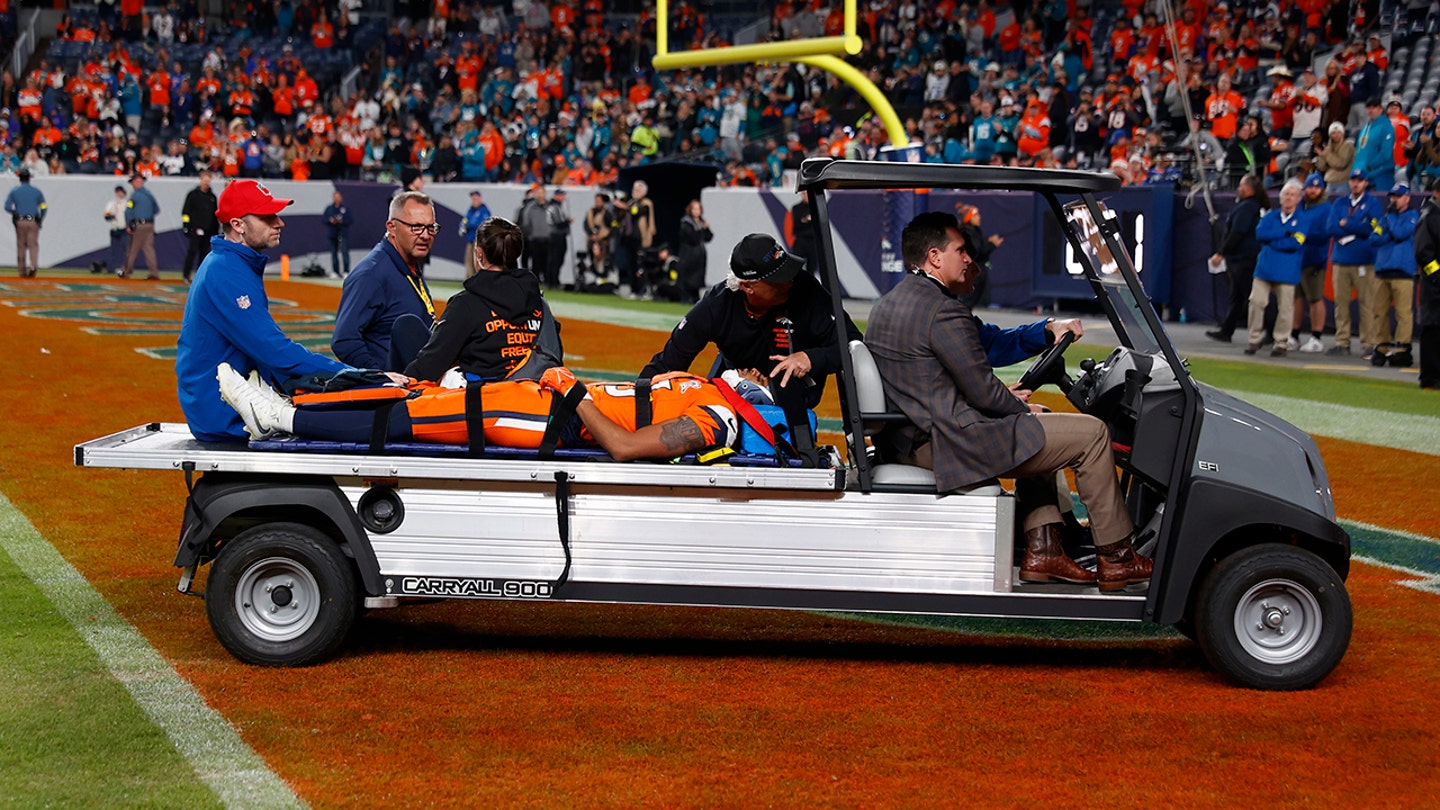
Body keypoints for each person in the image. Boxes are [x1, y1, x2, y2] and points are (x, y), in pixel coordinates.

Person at [865, 211, 1152, 589]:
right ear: (935, 257)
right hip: (948, 442)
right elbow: (983, 388)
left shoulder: (894, 302)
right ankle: (1117, 557)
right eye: (961, 250)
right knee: (1093, 434)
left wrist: (1045, 330)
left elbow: (986, 345)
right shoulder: (942, 310)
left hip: (915, 437)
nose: (970, 259)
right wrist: (1018, 407)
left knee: (1040, 423)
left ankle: (1044, 551)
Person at [175, 179, 404, 443]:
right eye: (267, 216)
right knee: (361, 425)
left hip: (227, 403)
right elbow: (274, 350)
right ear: (237, 225)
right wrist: (357, 376)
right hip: (224, 415)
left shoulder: (231, 263)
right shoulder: (226, 271)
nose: (279, 222)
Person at [215, 363, 750, 463]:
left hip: (551, 420)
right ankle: (294, 407)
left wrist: (573, 391)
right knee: (422, 398)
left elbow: (626, 447)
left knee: (417, 420)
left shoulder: (715, 418)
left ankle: (282, 420)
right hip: (549, 402)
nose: (759, 368)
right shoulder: (709, 389)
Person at [641, 233, 863, 461]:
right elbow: (668, 363)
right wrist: (634, 403)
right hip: (736, 393)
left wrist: (811, 358)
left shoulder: (805, 290)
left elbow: (854, 344)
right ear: (748, 286)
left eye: (786, 270)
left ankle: (805, 452)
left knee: (785, 384)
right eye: (778, 278)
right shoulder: (717, 305)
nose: (789, 281)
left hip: (796, 392)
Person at [405, 216, 559, 383]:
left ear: (479, 254)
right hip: (535, 398)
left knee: (404, 330)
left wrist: (396, 383)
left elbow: (430, 364)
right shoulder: (538, 302)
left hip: (485, 402)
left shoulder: (466, 304)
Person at [332, 190, 438, 373]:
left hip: (418, 389)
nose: (425, 235)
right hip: (395, 397)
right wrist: (380, 379)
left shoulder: (408, 264)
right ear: (391, 227)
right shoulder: (371, 274)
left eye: (431, 228)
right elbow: (344, 340)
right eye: (416, 227)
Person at [1327, 169, 1383, 357]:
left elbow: (1371, 228)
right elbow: (1331, 227)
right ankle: (1342, 341)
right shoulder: (1340, 202)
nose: (1356, 184)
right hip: (1341, 260)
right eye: (1353, 180)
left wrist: (1347, 225)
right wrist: (1354, 228)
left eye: (1360, 181)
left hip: (1364, 261)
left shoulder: (1373, 203)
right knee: (1340, 304)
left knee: (1366, 303)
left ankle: (1369, 342)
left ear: (1366, 183)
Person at [1246, 179, 1305, 357]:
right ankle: (1254, 338)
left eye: (1292, 195)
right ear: (1280, 198)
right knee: (1256, 302)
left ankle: (1281, 342)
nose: (1288, 198)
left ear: (1298, 199)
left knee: (1286, 308)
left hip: (1287, 268)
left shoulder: (1303, 220)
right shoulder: (1271, 216)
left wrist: (1273, 242)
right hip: (1265, 266)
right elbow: (1260, 234)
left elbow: (1296, 243)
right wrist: (1283, 233)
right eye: (1286, 194)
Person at [1207, 174, 1266, 343]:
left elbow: (1237, 233)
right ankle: (1227, 330)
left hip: (1244, 258)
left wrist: (1222, 252)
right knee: (1238, 296)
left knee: (1250, 296)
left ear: (1248, 189)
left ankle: (1269, 330)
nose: (1238, 189)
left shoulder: (1246, 207)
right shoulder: (1252, 206)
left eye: (1241, 185)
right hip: (1245, 256)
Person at [1368, 183, 1419, 367]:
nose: (1394, 200)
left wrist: (1389, 222)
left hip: (1402, 271)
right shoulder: (1385, 218)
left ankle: (1403, 349)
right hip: (1382, 269)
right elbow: (1374, 238)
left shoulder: (1413, 216)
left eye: (1398, 197)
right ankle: (1381, 347)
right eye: (1392, 196)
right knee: (1379, 312)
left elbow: (1400, 233)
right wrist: (1388, 230)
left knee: (1403, 313)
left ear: (1407, 198)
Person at [1292, 173, 1332, 353]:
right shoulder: (1300, 205)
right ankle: (1294, 334)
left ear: (1322, 189)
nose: (1313, 190)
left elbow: (1325, 234)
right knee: (1296, 298)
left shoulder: (1326, 208)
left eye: (1316, 187)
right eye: (1310, 186)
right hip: (1297, 258)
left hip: (1314, 258)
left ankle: (1316, 336)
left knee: (1315, 299)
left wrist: (1303, 235)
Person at [1412, 177, 1440, 389]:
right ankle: (1430, 376)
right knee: (1432, 328)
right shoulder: (1430, 216)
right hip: (1434, 285)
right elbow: (1423, 252)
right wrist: (1436, 275)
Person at [5, 166, 45, 277]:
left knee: (21, 245)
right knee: (33, 244)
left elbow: (7, 206)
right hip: (32, 220)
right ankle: (33, 265)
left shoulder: (15, 191)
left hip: (21, 220)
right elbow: (43, 206)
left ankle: (22, 269)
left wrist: (15, 213)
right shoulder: (36, 192)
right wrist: (41, 217)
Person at [180, 170, 219, 283]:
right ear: (201, 180)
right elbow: (186, 211)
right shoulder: (193, 195)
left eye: (208, 180)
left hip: (208, 231)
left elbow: (214, 215)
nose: (206, 182)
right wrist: (187, 226)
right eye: (205, 180)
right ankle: (186, 275)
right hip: (195, 229)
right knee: (192, 251)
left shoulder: (212, 197)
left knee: (204, 254)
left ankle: (200, 275)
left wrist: (215, 230)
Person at [619, 180, 656, 297]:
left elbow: (638, 211)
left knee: (641, 265)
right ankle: (633, 289)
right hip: (629, 237)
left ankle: (643, 289)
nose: (635, 192)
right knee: (631, 265)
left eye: (638, 190)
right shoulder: (631, 202)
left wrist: (624, 207)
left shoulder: (646, 203)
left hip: (641, 237)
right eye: (634, 189)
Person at [1353, 97, 1396, 192]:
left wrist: (1371, 165)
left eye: (1374, 107)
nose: (1370, 110)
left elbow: (1386, 152)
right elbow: (1359, 152)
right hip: (1364, 176)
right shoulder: (1365, 128)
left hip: (1380, 176)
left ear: (1380, 109)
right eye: (1368, 107)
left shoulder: (1386, 126)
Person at [122, 173, 160, 279]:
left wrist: (129, 224)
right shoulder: (149, 195)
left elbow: (128, 212)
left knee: (133, 249)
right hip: (150, 224)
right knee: (149, 249)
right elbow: (156, 210)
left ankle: (126, 271)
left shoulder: (134, 196)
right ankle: (154, 272)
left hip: (139, 225)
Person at [676, 199, 713, 303]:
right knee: (687, 276)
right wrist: (701, 229)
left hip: (699, 254)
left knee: (697, 277)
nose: (697, 211)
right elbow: (692, 238)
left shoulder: (701, 221)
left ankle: (695, 297)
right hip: (688, 254)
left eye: (698, 209)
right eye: (694, 209)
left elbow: (709, 237)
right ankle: (685, 297)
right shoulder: (686, 222)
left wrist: (706, 228)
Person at [515, 184, 550, 283]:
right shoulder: (529, 208)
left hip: (547, 238)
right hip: (534, 238)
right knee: (534, 261)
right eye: (538, 193)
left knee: (547, 261)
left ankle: (548, 279)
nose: (540, 195)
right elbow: (526, 223)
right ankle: (535, 280)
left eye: (541, 193)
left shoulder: (550, 206)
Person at [583, 192, 613, 287]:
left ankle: (603, 279)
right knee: (592, 259)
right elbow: (586, 225)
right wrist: (592, 234)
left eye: (599, 201)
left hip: (602, 242)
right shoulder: (590, 212)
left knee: (602, 261)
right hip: (592, 241)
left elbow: (611, 227)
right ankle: (594, 279)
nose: (597, 202)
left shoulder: (607, 213)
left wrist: (602, 236)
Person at [322, 190, 354, 278]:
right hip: (333, 233)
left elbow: (350, 220)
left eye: (338, 197)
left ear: (341, 198)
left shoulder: (345, 209)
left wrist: (342, 221)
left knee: (344, 252)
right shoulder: (329, 209)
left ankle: (346, 271)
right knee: (334, 253)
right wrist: (330, 220)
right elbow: (324, 219)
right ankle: (335, 271)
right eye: (335, 197)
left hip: (343, 233)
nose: (336, 199)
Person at [459, 190, 491, 277]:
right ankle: (469, 280)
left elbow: (482, 224)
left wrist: (468, 225)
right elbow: (465, 220)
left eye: (476, 198)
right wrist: (463, 226)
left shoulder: (484, 211)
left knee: (478, 262)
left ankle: (479, 280)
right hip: (470, 239)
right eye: (473, 198)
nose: (474, 200)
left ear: (480, 198)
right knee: (468, 260)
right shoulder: (471, 210)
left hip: (479, 241)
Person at [544, 188, 572, 288]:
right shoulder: (555, 207)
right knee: (556, 259)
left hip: (555, 236)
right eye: (562, 195)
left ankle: (552, 280)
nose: (563, 197)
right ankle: (553, 281)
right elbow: (558, 222)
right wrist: (568, 221)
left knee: (554, 259)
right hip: (557, 236)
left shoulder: (555, 206)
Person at [99, 184, 127, 275]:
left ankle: (126, 267)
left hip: (124, 228)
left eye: (121, 192)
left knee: (126, 248)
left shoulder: (127, 203)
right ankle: (113, 267)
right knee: (114, 249)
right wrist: (111, 216)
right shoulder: (111, 203)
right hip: (114, 228)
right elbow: (106, 215)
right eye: (118, 192)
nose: (119, 194)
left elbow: (131, 214)